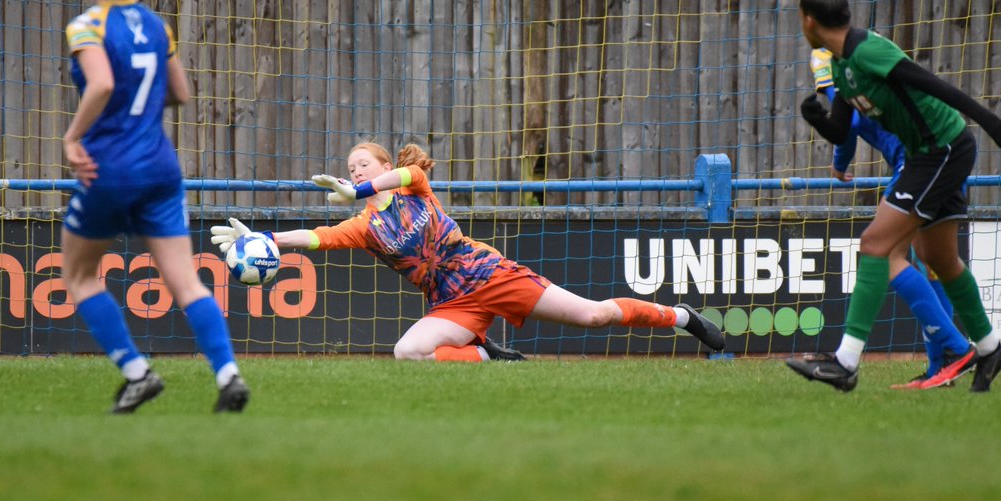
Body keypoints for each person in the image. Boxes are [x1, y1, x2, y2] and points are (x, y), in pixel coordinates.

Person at [210, 143, 725, 361]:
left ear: (381, 166)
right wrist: (265, 241)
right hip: (452, 304)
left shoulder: (412, 187)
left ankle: (683, 317)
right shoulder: (363, 227)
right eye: (351, 168)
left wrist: (362, 192)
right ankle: (483, 351)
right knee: (407, 352)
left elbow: (410, 172)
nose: (356, 171)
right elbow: (315, 239)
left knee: (593, 317)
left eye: (364, 164)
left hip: (491, 274)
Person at [788, 0, 1001, 393]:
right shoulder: (842, 66)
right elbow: (843, 131)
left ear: (809, 20)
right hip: (928, 155)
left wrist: (995, 126)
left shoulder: (867, 52)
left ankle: (846, 363)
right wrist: (818, 121)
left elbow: (933, 85)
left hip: (943, 150)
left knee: (876, 244)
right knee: (941, 258)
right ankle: (990, 348)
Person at [61, 0, 249, 413]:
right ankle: (228, 375)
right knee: (187, 283)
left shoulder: (87, 25)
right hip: (161, 167)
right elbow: (181, 93)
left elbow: (101, 82)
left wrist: (72, 137)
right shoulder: (156, 25)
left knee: (80, 274)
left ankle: (136, 372)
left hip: (111, 168)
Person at [810, 47, 975, 390]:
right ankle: (939, 369)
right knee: (931, 263)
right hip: (943, 157)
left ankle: (958, 349)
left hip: (917, 164)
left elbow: (848, 125)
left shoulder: (839, 81)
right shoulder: (866, 66)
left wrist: (839, 165)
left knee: (885, 255)